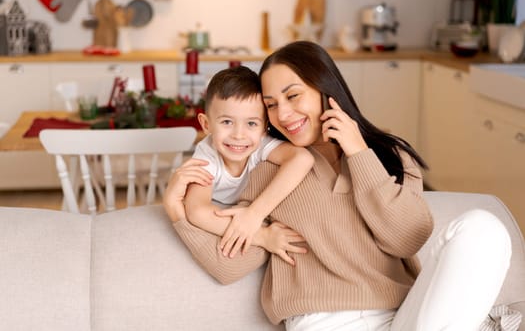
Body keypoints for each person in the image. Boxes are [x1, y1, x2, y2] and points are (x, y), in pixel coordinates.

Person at [163, 41, 511, 331]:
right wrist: (179, 212)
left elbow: (406, 238)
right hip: (323, 322)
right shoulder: (269, 170)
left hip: (408, 317)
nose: (283, 114)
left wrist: (359, 153)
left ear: (325, 89)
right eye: (271, 105)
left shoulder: (388, 156)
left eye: (293, 95)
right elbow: (228, 267)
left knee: (484, 228)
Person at [185, 65, 314, 258]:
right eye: (227, 122)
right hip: (218, 216)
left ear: (264, 129)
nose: (239, 135)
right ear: (206, 124)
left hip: (247, 210)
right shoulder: (207, 155)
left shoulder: (259, 144)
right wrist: (262, 236)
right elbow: (197, 211)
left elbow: (302, 158)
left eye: (251, 123)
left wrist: (254, 214)